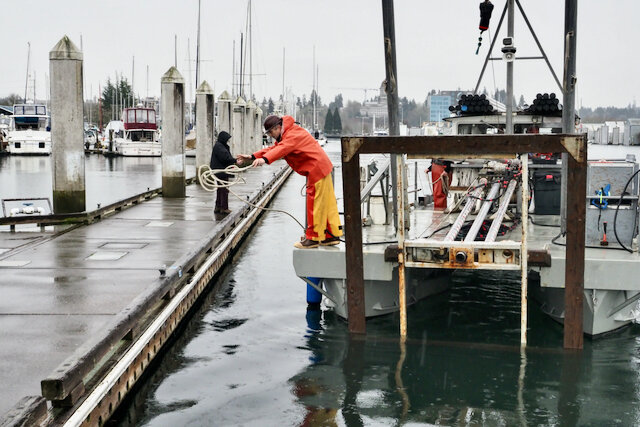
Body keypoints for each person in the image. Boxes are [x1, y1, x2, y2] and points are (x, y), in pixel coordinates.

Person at [237, 115, 342, 249]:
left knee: (314, 203)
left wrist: (265, 160)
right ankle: (331, 235)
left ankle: (314, 238)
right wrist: (252, 156)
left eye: (270, 132)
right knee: (326, 204)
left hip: (316, 170)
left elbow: (281, 149)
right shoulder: (290, 132)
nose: (270, 135)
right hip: (321, 168)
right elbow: (274, 148)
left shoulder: (291, 135)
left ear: (277, 128)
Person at [209, 131, 236, 215]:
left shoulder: (219, 145)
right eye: (227, 139)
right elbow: (225, 158)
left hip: (219, 170)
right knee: (224, 189)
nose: (227, 141)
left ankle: (218, 206)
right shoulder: (220, 147)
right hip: (221, 171)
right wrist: (235, 160)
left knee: (220, 189)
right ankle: (224, 208)